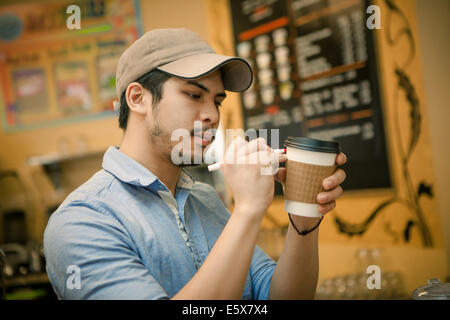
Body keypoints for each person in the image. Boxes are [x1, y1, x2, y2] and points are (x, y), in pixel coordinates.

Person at [43, 28, 347, 300]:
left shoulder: (204, 199)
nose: (212, 116)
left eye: (216, 101)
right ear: (138, 99)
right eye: (192, 94)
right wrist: (248, 210)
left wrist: (304, 218)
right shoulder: (82, 222)